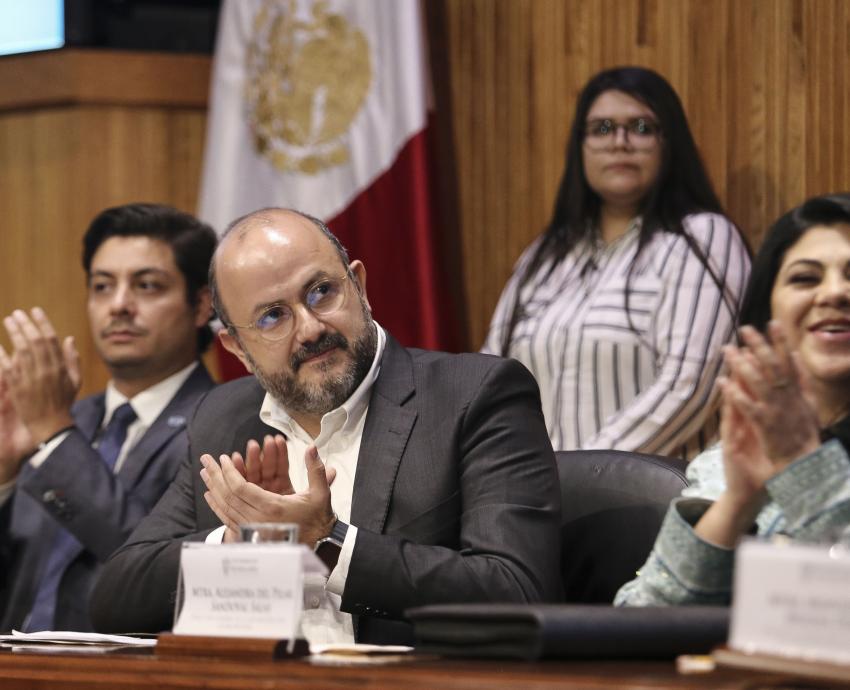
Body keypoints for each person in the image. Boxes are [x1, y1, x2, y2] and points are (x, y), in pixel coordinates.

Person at [90, 208, 562, 645]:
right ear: (236, 347)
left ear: (358, 284)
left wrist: (327, 541)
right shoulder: (223, 417)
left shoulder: (474, 395)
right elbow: (117, 597)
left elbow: (519, 591)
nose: (311, 328)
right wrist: (243, 542)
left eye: (322, 292)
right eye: (273, 316)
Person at [482, 66, 751, 457]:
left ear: (669, 143)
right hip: (534, 502)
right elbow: (489, 377)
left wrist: (578, 475)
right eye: (602, 129)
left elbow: (688, 384)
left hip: (651, 504)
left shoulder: (702, 238)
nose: (620, 142)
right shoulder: (544, 256)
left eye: (641, 128)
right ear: (581, 147)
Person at [615, 193, 850, 606]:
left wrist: (805, 468)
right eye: (806, 278)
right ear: (769, 315)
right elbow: (639, 614)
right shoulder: (733, 458)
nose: (834, 293)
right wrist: (738, 503)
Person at [0, 203, 217, 632]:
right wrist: (4, 476)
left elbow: (162, 574)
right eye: (102, 286)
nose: (118, 305)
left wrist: (57, 438)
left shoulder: (224, 421)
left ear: (201, 306)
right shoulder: (62, 421)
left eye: (147, 286)